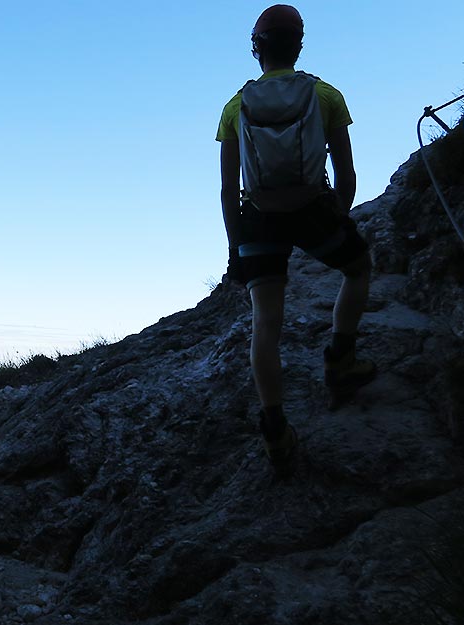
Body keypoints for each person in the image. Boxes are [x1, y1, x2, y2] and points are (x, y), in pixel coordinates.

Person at [216, 4, 376, 474]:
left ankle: (275, 429)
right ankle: (340, 359)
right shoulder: (325, 96)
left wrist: (234, 246)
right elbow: (345, 173)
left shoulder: (235, 107)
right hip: (311, 211)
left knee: (266, 322)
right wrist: (336, 216)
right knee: (358, 268)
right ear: (299, 45)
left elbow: (229, 189)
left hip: (258, 218)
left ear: (256, 49)